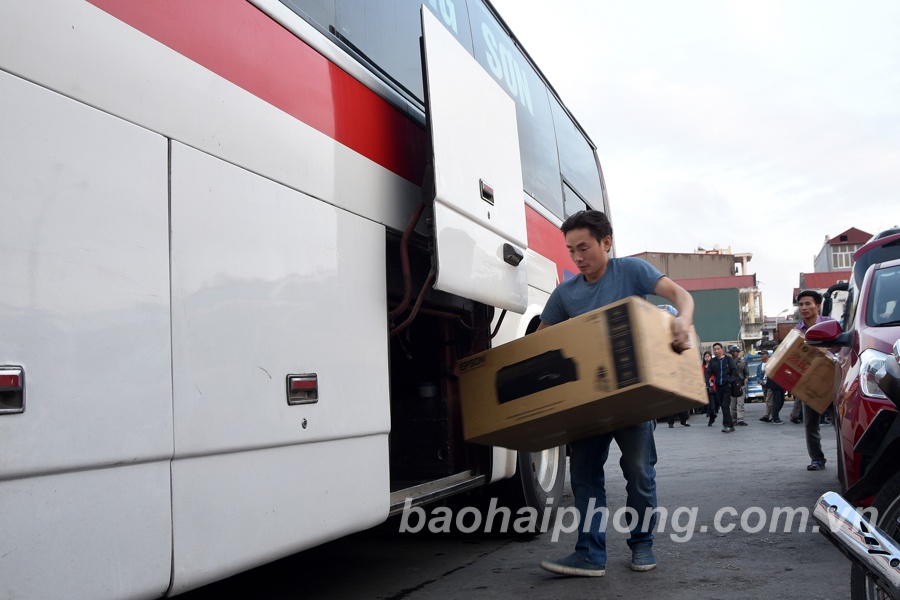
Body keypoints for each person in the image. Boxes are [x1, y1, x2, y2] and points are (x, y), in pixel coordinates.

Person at [536, 210, 694, 578]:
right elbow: (538, 343)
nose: (577, 258)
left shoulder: (633, 272)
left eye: (584, 248)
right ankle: (590, 553)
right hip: (588, 402)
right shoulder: (566, 294)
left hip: (632, 397)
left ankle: (642, 543)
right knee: (585, 477)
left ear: (607, 242)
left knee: (639, 471)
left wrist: (682, 322)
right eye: (571, 250)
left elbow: (680, 296)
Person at [793, 290, 835, 471]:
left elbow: (844, 345)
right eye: (801, 304)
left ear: (817, 306)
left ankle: (847, 457)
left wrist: (828, 349)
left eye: (808, 304)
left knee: (840, 423)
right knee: (810, 424)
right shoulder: (797, 331)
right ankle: (817, 459)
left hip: (833, 382)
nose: (804, 308)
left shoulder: (831, 324)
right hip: (809, 383)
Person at [704, 343, 737, 432]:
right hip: (718, 387)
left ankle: (727, 426)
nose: (716, 351)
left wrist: (730, 380)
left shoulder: (728, 359)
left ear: (722, 349)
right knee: (723, 406)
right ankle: (731, 425)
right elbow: (708, 373)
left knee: (725, 405)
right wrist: (704, 381)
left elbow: (735, 372)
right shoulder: (713, 361)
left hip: (727, 386)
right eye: (715, 349)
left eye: (718, 349)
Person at [729, 345, 749, 426]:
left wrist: (746, 378)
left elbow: (746, 371)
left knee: (740, 403)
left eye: (738, 351)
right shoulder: (729, 361)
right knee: (733, 404)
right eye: (736, 352)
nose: (738, 353)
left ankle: (740, 419)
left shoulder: (742, 361)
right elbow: (732, 367)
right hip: (732, 385)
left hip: (740, 384)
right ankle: (733, 419)